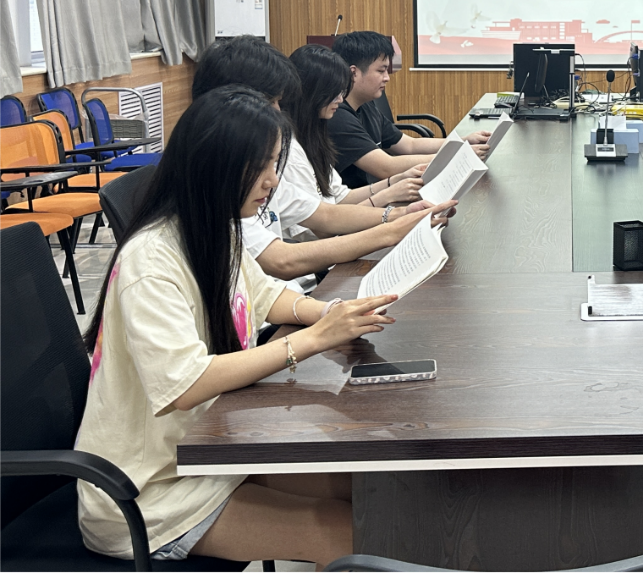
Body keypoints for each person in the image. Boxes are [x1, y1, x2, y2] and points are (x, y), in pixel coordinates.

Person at [75, 86, 415, 568]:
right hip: (149, 493)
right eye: (261, 166)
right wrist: (312, 340)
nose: (272, 180)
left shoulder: (214, 227)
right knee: (351, 534)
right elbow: (185, 384)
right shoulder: (150, 263)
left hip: (214, 447)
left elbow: (266, 295)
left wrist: (329, 314)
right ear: (214, 164)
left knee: (372, 490)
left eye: (275, 163)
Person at [191, 36, 443, 283]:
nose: (279, 111)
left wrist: (400, 214)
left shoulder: (282, 153)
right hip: (306, 278)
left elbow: (326, 214)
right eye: (272, 102)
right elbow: (285, 259)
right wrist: (392, 225)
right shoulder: (218, 182)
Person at [330, 31, 490, 189]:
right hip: (359, 200)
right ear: (353, 73)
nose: (387, 77)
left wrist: (463, 141)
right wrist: (458, 155)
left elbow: (410, 145)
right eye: (381, 71)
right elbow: (386, 167)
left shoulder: (366, 106)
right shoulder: (337, 116)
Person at [283, 44, 427, 210]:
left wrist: (395, 181)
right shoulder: (292, 150)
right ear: (313, 92)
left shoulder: (314, 136)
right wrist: (389, 197)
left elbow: (342, 197)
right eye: (334, 92)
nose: (340, 99)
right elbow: (325, 222)